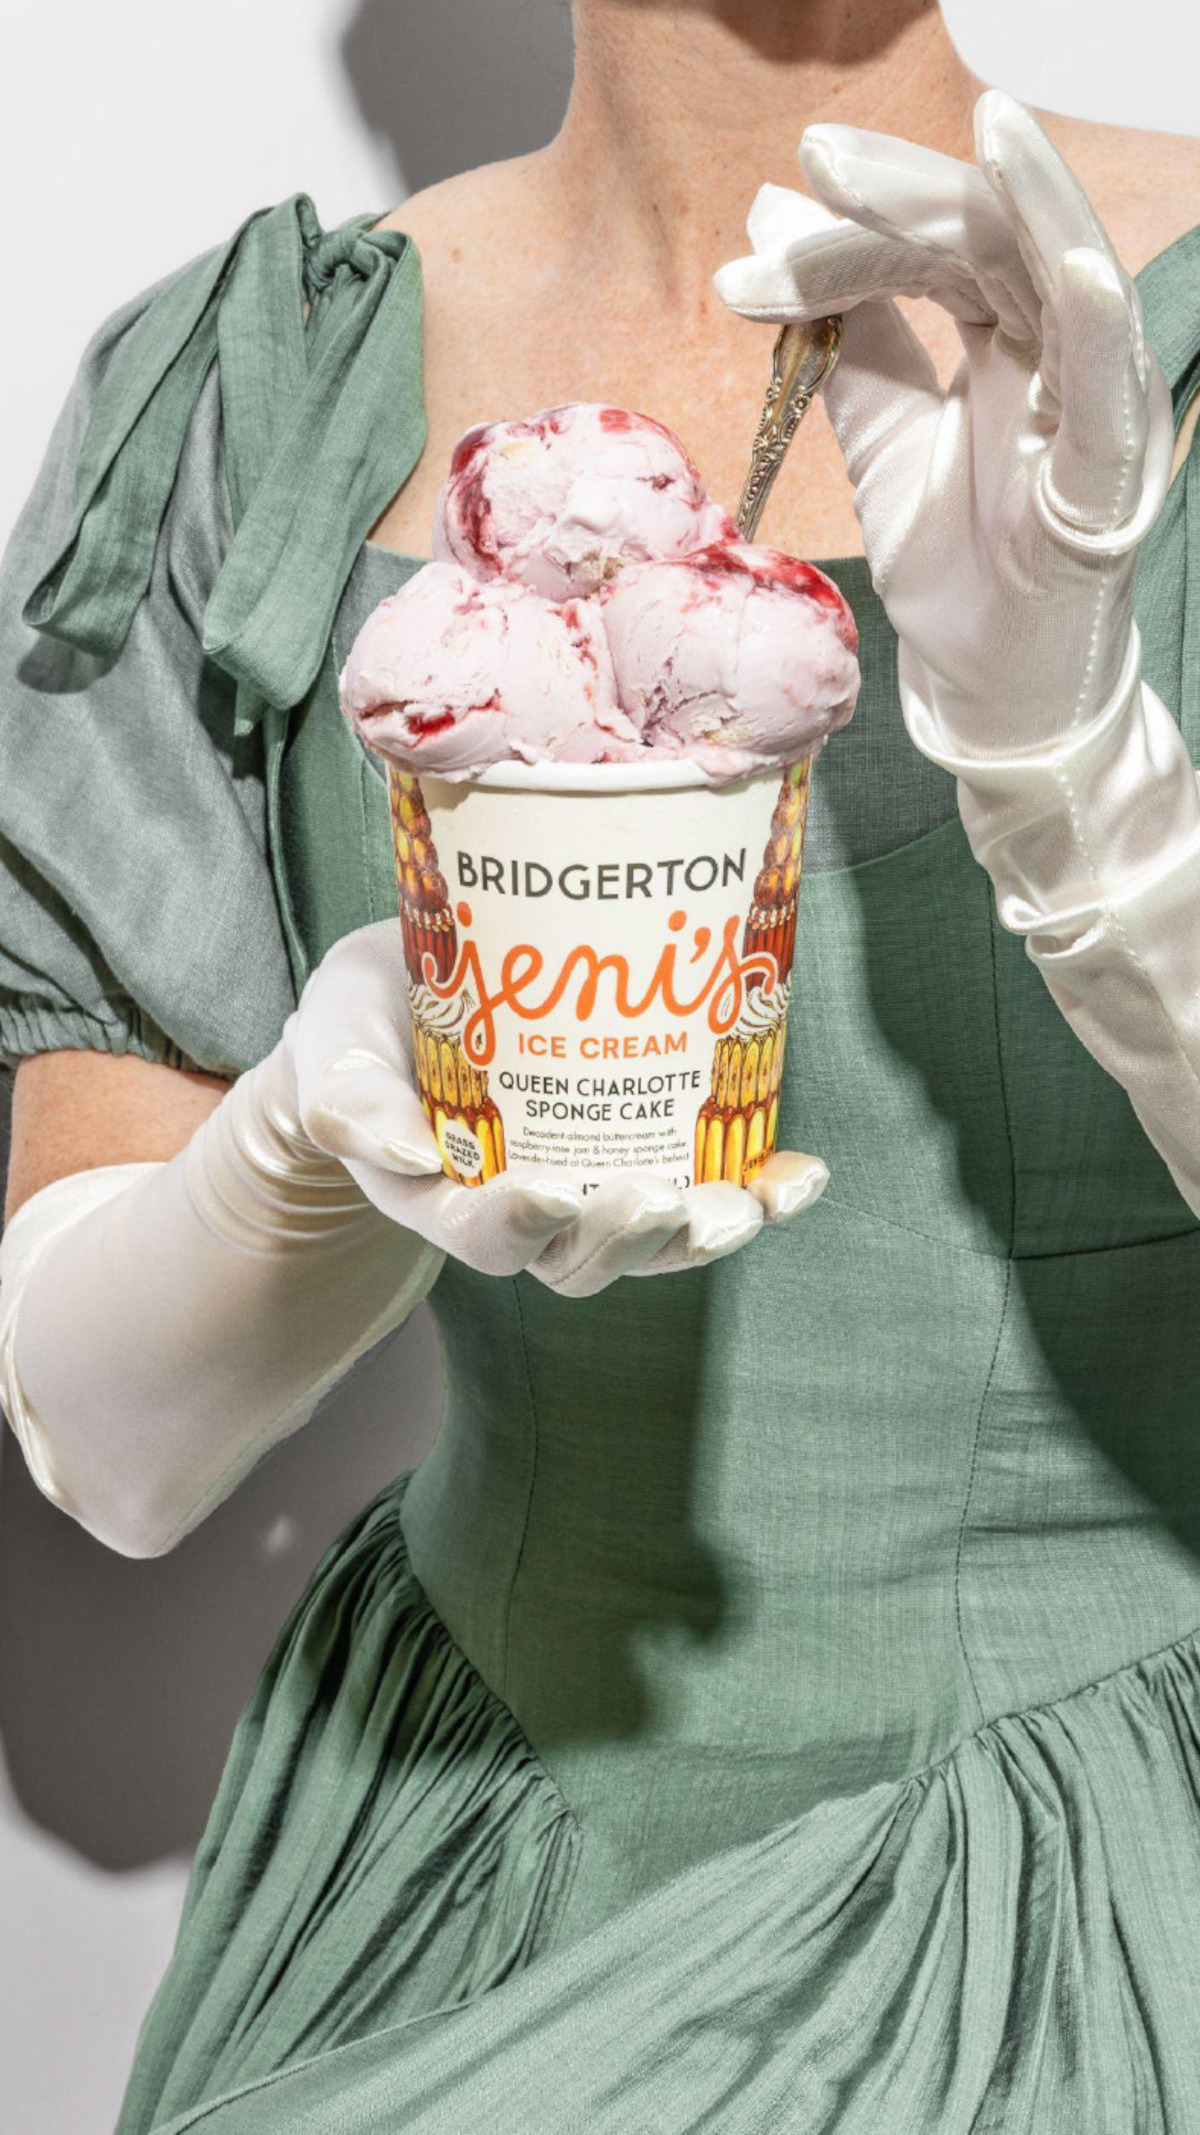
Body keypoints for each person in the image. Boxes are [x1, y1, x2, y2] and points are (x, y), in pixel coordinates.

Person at [3, 0, 1200, 2124]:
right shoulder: (257, 395)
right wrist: (305, 1145)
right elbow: (119, 1451)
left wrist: (1087, 794)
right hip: (461, 1837)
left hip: (1095, 1885)